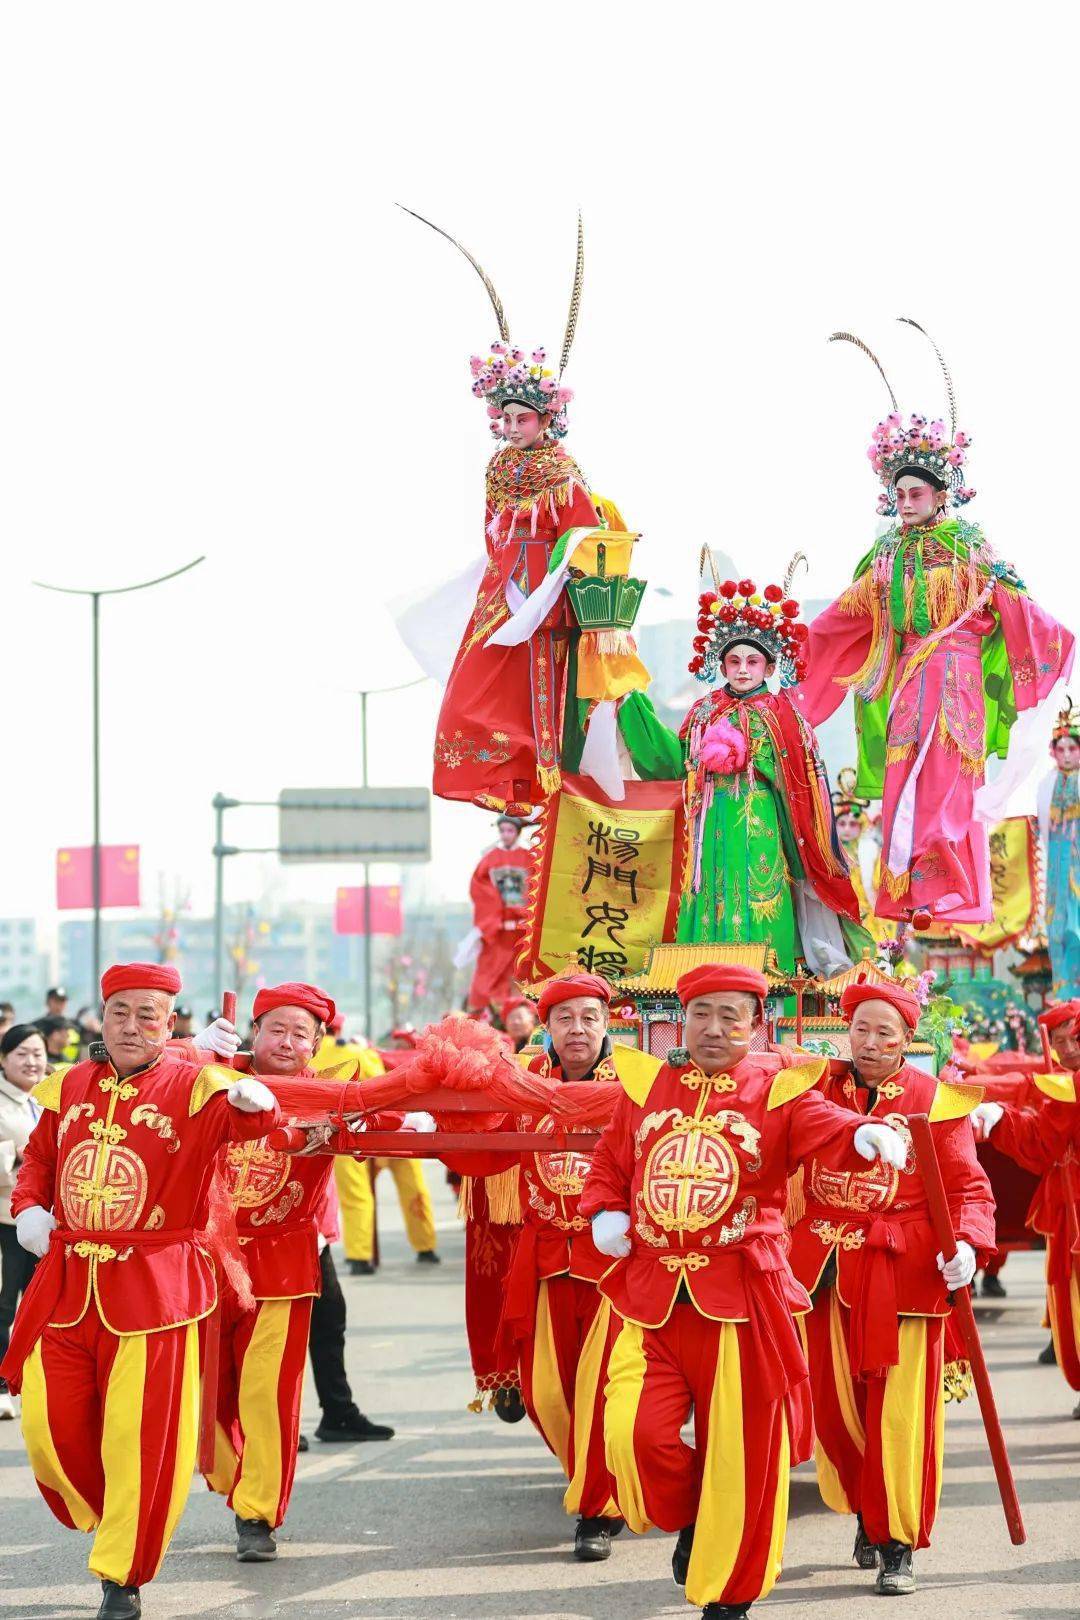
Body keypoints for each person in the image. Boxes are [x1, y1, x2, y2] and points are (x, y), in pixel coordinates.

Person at [578, 963, 907, 1620]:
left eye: (732, 1015)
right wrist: (603, 1211)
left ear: (758, 1026)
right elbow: (611, 1164)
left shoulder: (778, 1090)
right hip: (652, 1295)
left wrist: (861, 1133)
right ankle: (697, 1514)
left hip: (743, 1295)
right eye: (702, 1012)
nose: (715, 1027)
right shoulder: (647, 1085)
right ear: (682, 1018)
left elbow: (826, 1124)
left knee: (747, 1454)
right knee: (632, 1436)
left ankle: (730, 1595)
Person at [0, 962, 280, 1620]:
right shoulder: (69, 1085)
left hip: (155, 1292)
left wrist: (254, 1103)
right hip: (67, 1284)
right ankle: (118, 1513)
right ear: (103, 1016)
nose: (131, 1026)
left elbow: (246, 1128)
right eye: (120, 1012)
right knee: (46, 1427)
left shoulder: (198, 1086)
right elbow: (37, 1158)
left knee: (140, 1437)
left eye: (147, 1015)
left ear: (170, 1022)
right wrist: (31, 1206)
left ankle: (120, 1576)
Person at [797, 326, 1074, 928]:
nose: (905, 502)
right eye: (897, 494)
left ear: (941, 494)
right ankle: (908, 886)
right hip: (905, 682)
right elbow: (841, 620)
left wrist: (1058, 645)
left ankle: (946, 872)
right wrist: (792, 655)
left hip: (958, 681)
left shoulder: (971, 549)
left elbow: (1017, 605)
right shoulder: (887, 561)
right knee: (904, 776)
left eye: (915, 492)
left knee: (949, 779)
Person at [403, 210, 649, 812]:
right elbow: (490, 531)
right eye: (506, 418)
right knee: (473, 685)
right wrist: (504, 578)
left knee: (544, 684)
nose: (513, 428)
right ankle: (502, 772)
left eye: (524, 418)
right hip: (504, 587)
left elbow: (585, 534)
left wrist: (558, 589)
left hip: (547, 590)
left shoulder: (562, 473)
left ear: (546, 420)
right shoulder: (495, 468)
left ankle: (541, 771)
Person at [785, 977, 994, 1595]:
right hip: (825, 1269)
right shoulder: (814, 1087)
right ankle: (865, 1508)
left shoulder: (936, 1100)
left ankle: (897, 1539)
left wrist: (968, 1247)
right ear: (845, 1031)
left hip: (905, 1272)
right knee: (835, 1409)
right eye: (861, 1030)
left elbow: (968, 1190)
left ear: (908, 1040)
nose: (870, 1043)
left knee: (902, 1414)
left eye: (886, 1033)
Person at [205, 982, 411, 1562]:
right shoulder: (209, 1077)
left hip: (283, 1266)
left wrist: (400, 1119)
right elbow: (147, 1072)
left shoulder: (329, 1092)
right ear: (253, 1031)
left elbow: (390, 1114)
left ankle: (257, 1513)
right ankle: (235, 1477)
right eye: (277, 1028)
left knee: (266, 1390)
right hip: (207, 1265)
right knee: (208, 1394)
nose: (288, 1042)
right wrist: (191, 1049)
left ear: (317, 1043)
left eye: (302, 1033)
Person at [448, 972, 629, 1562]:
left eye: (589, 1018)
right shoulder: (520, 1082)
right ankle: (590, 1476)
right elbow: (479, 1149)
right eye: (564, 1019)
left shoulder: (638, 1081)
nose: (577, 1031)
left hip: (615, 1267)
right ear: (546, 1027)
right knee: (549, 1394)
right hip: (546, 1258)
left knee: (602, 1389)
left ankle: (597, 1510)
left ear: (607, 1024)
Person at [625, 568, 866, 974]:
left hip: (762, 821)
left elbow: (804, 785)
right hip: (709, 821)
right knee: (709, 894)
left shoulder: (785, 715)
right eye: (734, 660)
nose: (742, 669)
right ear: (721, 664)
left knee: (762, 894)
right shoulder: (703, 711)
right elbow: (673, 764)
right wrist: (634, 708)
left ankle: (770, 991)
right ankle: (702, 987)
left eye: (753, 661)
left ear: (770, 668)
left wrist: (752, 757)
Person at [973, 1004, 1080, 1414]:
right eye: (1060, 1042)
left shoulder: (1069, 1092)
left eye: (1076, 1039)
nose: (1068, 1050)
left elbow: (1040, 1142)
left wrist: (999, 1117)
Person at [313, 1032, 440, 1275]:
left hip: (353, 1130)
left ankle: (359, 1256)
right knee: (413, 1188)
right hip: (399, 1124)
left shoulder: (319, 1054)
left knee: (356, 1194)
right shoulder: (362, 1051)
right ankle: (426, 1246)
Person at [0, 1023, 48, 1420]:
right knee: (3, 1306)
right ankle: (1, 1386)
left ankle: (37, 1379)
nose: (32, 1062)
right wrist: (12, 1154)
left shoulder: (51, 1099)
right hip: (4, 1219)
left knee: (42, 1303)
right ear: (3, 1059)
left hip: (47, 1224)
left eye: (37, 1053)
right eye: (22, 1054)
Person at [463, 815, 533, 1016]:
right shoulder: (489, 859)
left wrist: (528, 914)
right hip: (499, 928)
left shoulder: (530, 855)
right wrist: (492, 918)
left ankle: (528, 1014)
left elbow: (540, 884)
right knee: (489, 973)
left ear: (518, 832)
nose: (505, 835)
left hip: (525, 929)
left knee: (525, 972)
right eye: (502, 831)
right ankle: (487, 1015)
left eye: (510, 831)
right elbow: (480, 889)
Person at [1040, 701, 1080, 999]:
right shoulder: (1045, 784)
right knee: (1058, 926)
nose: (1066, 754)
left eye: (1072, 748)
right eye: (1061, 748)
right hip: (1056, 862)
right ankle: (1063, 992)